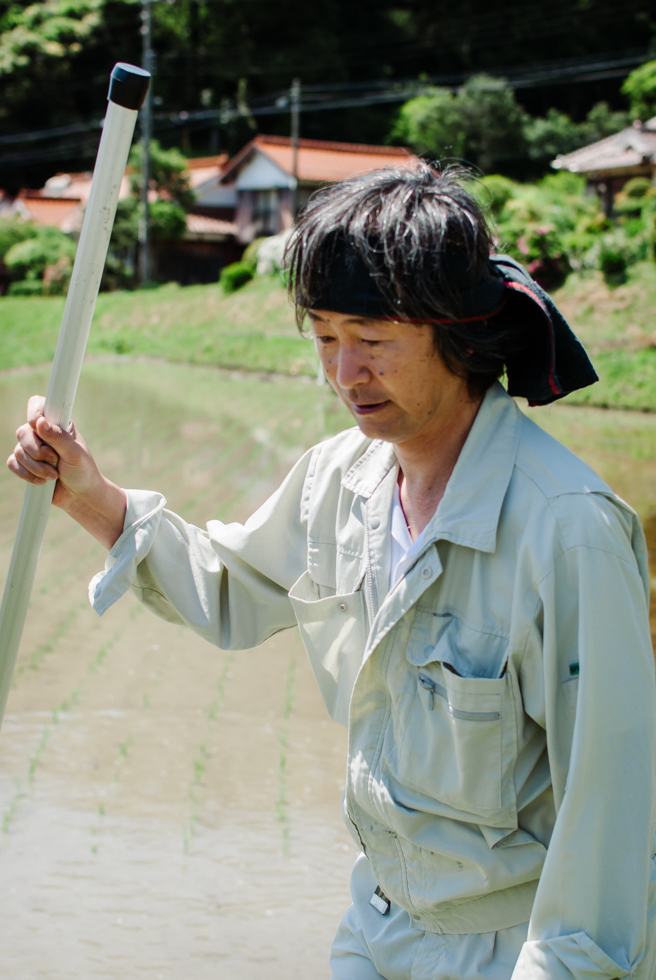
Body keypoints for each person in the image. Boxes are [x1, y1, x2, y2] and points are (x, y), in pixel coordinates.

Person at [8, 164, 656, 980]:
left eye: (372, 340)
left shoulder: (568, 532)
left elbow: (611, 829)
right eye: (323, 338)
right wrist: (90, 496)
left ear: (457, 332)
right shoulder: (339, 479)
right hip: (378, 926)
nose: (345, 373)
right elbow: (230, 587)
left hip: (511, 947)